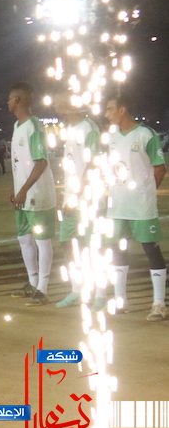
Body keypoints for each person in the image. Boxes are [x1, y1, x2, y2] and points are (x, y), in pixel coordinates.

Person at [103, 94, 167, 321]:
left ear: (122, 110)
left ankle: (159, 303)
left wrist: (146, 191)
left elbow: (159, 168)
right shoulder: (111, 137)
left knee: (151, 249)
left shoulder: (146, 134)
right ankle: (120, 299)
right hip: (117, 206)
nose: (106, 114)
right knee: (117, 250)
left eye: (110, 109)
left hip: (141, 207)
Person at [8, 82, 56, 306]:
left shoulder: (34, 127)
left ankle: (43, 289)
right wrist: (16, 188)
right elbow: (20, 163)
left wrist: (24, 189)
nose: (8, 102)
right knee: (24, 238)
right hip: (23, 195)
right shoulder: (17, 126)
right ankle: (33, 282)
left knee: (42, 240)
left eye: (10, 98)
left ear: (17, 100)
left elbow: (41, 162)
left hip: (37, 195)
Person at [53, 96, 102, 308]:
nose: (55, 106)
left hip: (88, 199)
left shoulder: (89, 128)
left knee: (92, 246)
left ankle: (99, 294)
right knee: (67, 243)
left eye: (58, 102)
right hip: (71, 199)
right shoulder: (70, 129)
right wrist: (66, 194)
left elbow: (92, 166)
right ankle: (76, 290)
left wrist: (75, 195)